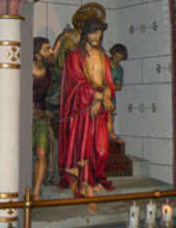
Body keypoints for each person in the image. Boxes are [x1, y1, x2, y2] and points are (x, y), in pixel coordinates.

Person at [58, 17, 116, 210]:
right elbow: (75, 83)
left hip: (99, 108)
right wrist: (96, 96)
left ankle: (94, 177)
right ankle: (85, 186)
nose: (96, 36)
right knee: (84, 147)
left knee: (101, 149)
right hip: (82, 108)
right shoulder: (74, 56)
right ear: (85, 34)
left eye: (99, 32)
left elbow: (108, 81)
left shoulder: (103, 56)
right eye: (92, 32)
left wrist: (106, 95)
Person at [32, 37, 55, 199]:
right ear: (37, 54)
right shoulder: (24, 69)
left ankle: (36, 192)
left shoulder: (49, 73)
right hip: (22, 118)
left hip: (40, 116)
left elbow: (52, 95)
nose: (51, 52)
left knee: (42, 153)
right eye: (46, 49)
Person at [108, 43, 128, 144]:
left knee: (111, 115)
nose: (117, 60)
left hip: (110, 95)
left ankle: (111, 132)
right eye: (116, 57)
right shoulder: (104, 63)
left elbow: (119, 86)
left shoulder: (119, 70)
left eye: (120, 58)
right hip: (99, 94)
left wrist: (109, 86)